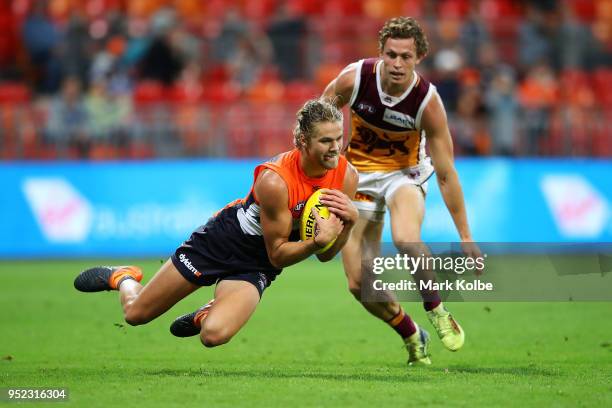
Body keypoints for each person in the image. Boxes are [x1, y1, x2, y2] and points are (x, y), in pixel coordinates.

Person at [74, 99, 359, 348]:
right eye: (325, 141)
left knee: (213, 336)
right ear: (303, 141)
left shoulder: (346, 177)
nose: (336, 148)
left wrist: (348, 224)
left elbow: (324, 255)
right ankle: (122, 277)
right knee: (136, 315)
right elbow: (279, 253)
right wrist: (313, 243)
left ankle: (206, 314)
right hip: (223, 241)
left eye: (338, 138)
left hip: (256, 264)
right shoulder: (276, 181)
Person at [322, 17, 481, 365]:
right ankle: (411, 333)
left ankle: (436, 309)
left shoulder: (427, 102)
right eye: (391, 55)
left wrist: (466, 236)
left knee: (406, 238)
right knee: (358, 284)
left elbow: (446, 174)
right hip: (357, 177)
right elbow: (319, 117)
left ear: (419, 57)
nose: (396, 64)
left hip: (403, 176)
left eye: (405, 57)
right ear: (381, 52)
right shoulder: (355, 79)